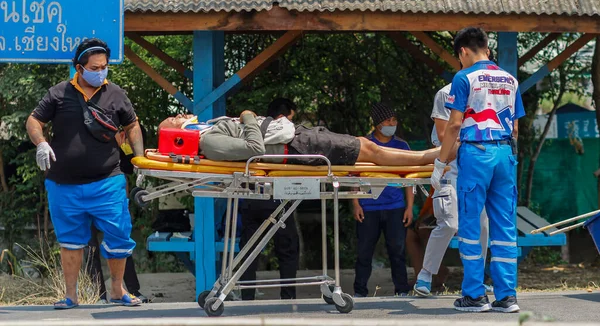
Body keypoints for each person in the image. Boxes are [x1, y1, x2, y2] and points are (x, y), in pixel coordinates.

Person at [26, 38, 144, 309]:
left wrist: (139, 157)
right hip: (63, 184)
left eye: (104, 66)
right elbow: (34, 120)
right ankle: (71, 295)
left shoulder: (115, 94)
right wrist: (41, 142)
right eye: (94, 67)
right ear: (79, 67)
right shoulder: (58, 93)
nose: (101, 71)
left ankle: (117, 289)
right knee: (70, 241)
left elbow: (133, 125)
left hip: (108, 181)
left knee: (118, 235)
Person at [431, 27, 525, 313]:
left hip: (475, 155)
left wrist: (441, 162)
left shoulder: (463, 77)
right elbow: (516, 128)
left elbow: (455, 125)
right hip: (505, 154)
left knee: (471, 225)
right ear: (486, 46)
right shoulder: (510, 79)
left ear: (463, 51)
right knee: (505, 226)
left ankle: (474, 295)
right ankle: (507, 296)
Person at [413, 84, 489, 297]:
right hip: (449, 164)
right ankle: (425, 275)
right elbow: (444, 133)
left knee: (482, 224)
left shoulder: (486, 91)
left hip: (476, 165)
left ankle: (476, 280)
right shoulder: (447, 93)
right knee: (449, 222)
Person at [158, 112, 443, 167]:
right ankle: (427, 158)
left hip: (297, 139)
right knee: (367, 149)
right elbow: (254, 149)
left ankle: (426, 158)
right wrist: (247, 116)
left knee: (364, 145)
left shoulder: (209, 130)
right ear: (178, 134)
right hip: (297, 147)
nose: (179, 115)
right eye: (173, 119)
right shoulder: (209, 142)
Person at [238, 98, 300, 300]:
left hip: (251, 197)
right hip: (277, 197)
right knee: (288, 249)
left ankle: (246, 298)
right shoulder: (283, 131)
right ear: (283, 115)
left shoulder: (252, 130)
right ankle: (288, 297)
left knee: (249, 250)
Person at [352, 103, 413, 297]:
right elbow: (354, 175)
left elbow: (411, 178)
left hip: (395, 207)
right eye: (388, 120)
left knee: (398, 251)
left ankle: (401, 290)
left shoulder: (402, 146)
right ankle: (360, 292)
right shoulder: (364, 145)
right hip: (367, 206)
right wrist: (355, 203)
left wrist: (409, 207)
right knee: (364, 252)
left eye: (394, 120)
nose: (392, 123)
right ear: (378, 123)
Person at [86, 128, 149, 303]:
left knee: (120, 244)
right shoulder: (86, 138)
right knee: (90, 247)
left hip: (112, 199)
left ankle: (133, 290)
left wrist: (123, 145)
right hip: (86, 197)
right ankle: (98, 294)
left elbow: (128, 167)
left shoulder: (121, 140)